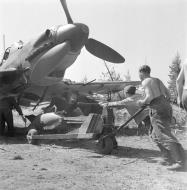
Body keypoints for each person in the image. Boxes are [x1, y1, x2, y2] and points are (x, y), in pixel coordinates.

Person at [137, 65, 185, 170]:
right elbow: (168, 94)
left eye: (139, 74)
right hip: (166, 105)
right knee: (154, 135)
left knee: (164, 135)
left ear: (142, 72)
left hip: (157, 108)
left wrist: (142, 102)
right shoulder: (157, 80)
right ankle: (168, 158)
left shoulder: (145, 81)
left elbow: (149, 97)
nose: (139, 76)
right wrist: (162, 103)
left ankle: (181, 161)